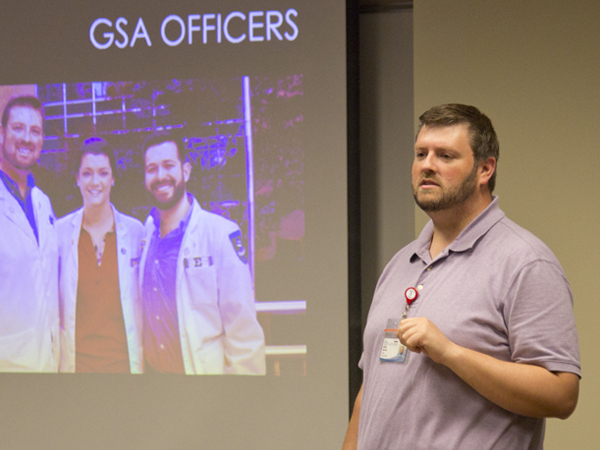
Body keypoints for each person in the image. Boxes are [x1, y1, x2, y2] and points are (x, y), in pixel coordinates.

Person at [342, 104, 580, 450]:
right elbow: (370, 394)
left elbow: (561, 395)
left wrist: (451, 353)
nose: (427, 165)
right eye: (421, 153)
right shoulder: (400, 263)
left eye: (446, 156)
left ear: (485, 169)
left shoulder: (526, 263)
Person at [140, 131, 265, 375]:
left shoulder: (220, 234)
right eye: (151, 168)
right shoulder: (144, 236)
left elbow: (244, 332)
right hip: (154, 389)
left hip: (203, 389)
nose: (160, 176)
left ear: (185, 170)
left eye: (168, 165)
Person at [57, 137, 144, 373]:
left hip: (125, 373)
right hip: (76, 373)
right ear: (77, 178)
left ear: (113, 178)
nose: (95, 182)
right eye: (87, 173)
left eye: (103, 173)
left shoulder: (136, 233)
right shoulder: (59, 234)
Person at [0, 95, 59, 372]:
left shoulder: (43, 202)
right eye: (18, 128)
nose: (27, 138)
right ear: (2, 133)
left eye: (35, 131)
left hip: (49, 363)